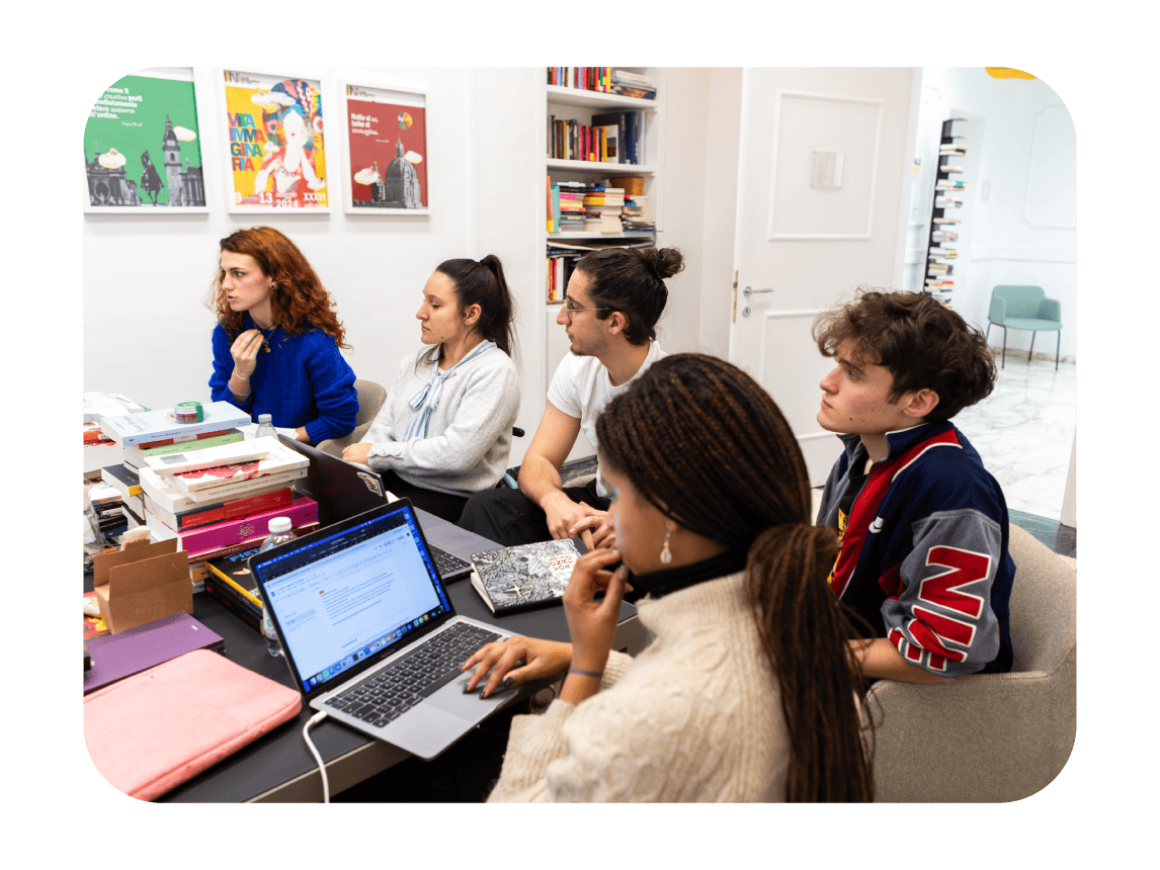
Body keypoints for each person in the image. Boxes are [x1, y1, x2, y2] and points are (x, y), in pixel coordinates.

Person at [461, 354, 876, 803]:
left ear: (671, 517)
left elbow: (665, 714)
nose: (608, 516)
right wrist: (579, 655)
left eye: (615, 495)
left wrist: (580, 673)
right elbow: (703, 689)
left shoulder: (643, 725)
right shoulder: (795, 624)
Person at [813, 289, 1015, 682]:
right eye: (837, 364)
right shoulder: (863, 449)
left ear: (918, 402)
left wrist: (807, 654)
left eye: (852, 373)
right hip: (845, 633)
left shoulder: (954, 490)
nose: (827, 382)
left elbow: (947, 650)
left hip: (905, 693)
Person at [458, 246, 682, 548]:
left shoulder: (676, 390)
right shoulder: (578, 367)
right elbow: (538, 461)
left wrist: (629, 525)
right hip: (602, 503)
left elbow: (703, 507)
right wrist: (555, 501)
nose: (562, 318)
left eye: (574, 307)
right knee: (487, 508)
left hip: (660, 522)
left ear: (615, 323)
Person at [341, 256, 519, 523]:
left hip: (452, 498)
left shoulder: (495, 371)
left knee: (366, 527)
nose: (420, 313)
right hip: (396, 479)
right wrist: (357, 473)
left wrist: (377, 454)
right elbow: (382, 429)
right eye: (424, 300)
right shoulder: (414, 363)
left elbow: (457, 455)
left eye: (435, 305)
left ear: (471, 314)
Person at [208, 226, 358, 445]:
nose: (225, 285)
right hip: (245, 449)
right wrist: (240, 374)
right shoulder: (226, 332)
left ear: (274, 277)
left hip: (298, 454)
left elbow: (340, 419)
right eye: (224, 273)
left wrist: (275, 440)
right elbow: (224, 417)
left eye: (238, 273)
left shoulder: (313, 339)